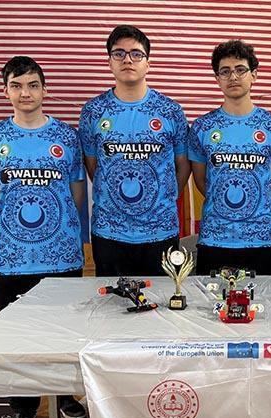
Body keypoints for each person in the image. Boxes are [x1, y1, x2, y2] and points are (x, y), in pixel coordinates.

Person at [0, 56, 87, 418]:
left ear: (44, 90)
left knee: (63, 330)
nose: (26, 93)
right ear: (5, 91)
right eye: (17, 85)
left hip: (61, 254)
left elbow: (75, 193)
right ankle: (23, 408)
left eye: (33, 85)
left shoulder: (66, 137)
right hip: (12, 257)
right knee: (17, 334)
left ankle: (63, 396)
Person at [78, 25, 190, 276]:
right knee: (112, 299)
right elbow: (93, 165)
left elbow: (182, 165)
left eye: (136, 54)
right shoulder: (93, 111)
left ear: (148, 63)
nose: (127, 60)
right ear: (109, 62)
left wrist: (165, 196)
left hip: (160, 230)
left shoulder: (170, 111)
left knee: (163, 298)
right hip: (109, 231)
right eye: (119, 53)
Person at [188, 40, 271, 275]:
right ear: (217, 78)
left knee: (262, 299)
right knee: (210, 299)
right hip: (215, 239)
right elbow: (202, 182)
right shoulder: (202, 127)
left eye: (240, 69)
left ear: (254, 74)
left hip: (260, 239)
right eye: (225, 71)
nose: (233, 77)